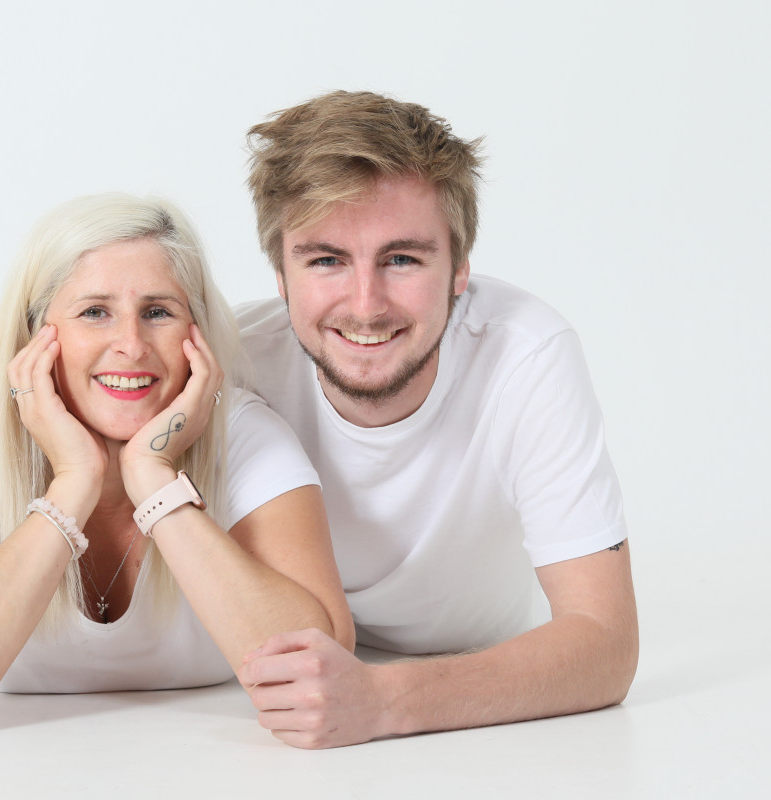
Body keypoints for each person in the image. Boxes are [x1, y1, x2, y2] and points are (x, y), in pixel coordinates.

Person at [234, 91, 638, 748]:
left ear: (459, 270)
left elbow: (606, 644)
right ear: (280, 274)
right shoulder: (234, 361)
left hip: (482, 685)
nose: (366, 305)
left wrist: (383, 701)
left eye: (402, 259)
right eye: (326, 260)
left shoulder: (526, 355)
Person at [0, 193, 353, 739]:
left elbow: (324, 673)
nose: (132, 345)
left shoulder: (245, 434)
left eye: (158, 312)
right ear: (34, 335)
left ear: (196, 333)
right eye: (95, 312)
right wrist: (74, 483)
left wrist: (154, 478)